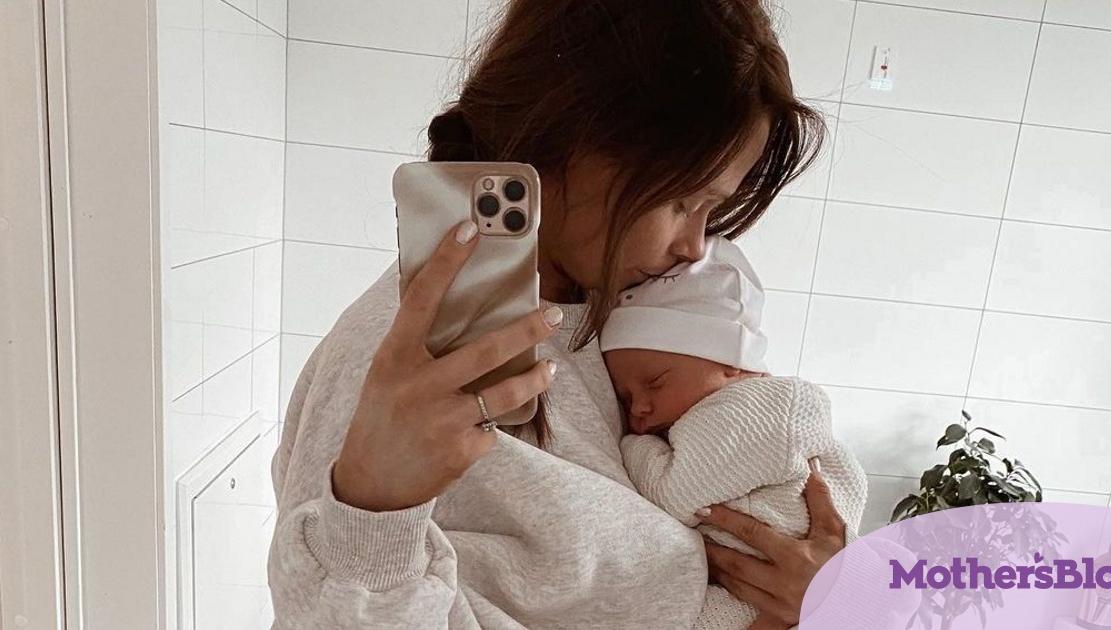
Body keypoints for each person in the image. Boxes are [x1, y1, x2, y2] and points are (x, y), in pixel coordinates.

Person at [267, 1, 879, 628]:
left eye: (712, 210)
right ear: (572, 135)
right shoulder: (402, 358)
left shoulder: (623, 306)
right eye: (681, 200)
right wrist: (373, 512)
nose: (696, 245)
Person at [601, 235, 868, 629]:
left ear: (731, 362)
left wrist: (631, 446)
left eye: (655, 382)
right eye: (625, 399)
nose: (638, 408)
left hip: (764, 587)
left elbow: (675, 493)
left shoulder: (748, 411)